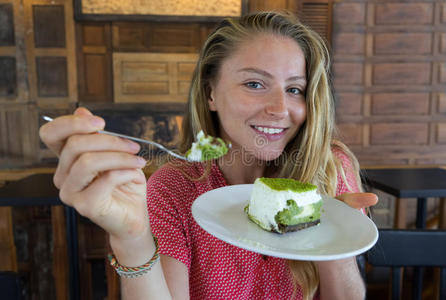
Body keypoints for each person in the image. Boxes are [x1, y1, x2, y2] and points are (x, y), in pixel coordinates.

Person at [40, 11, 378, 300]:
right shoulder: (175, 187)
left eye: (294, 90)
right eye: (255, 84)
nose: (280, 109)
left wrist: (336, 240)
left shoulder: (328, 166)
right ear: (210, 92)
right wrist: (130, 239)